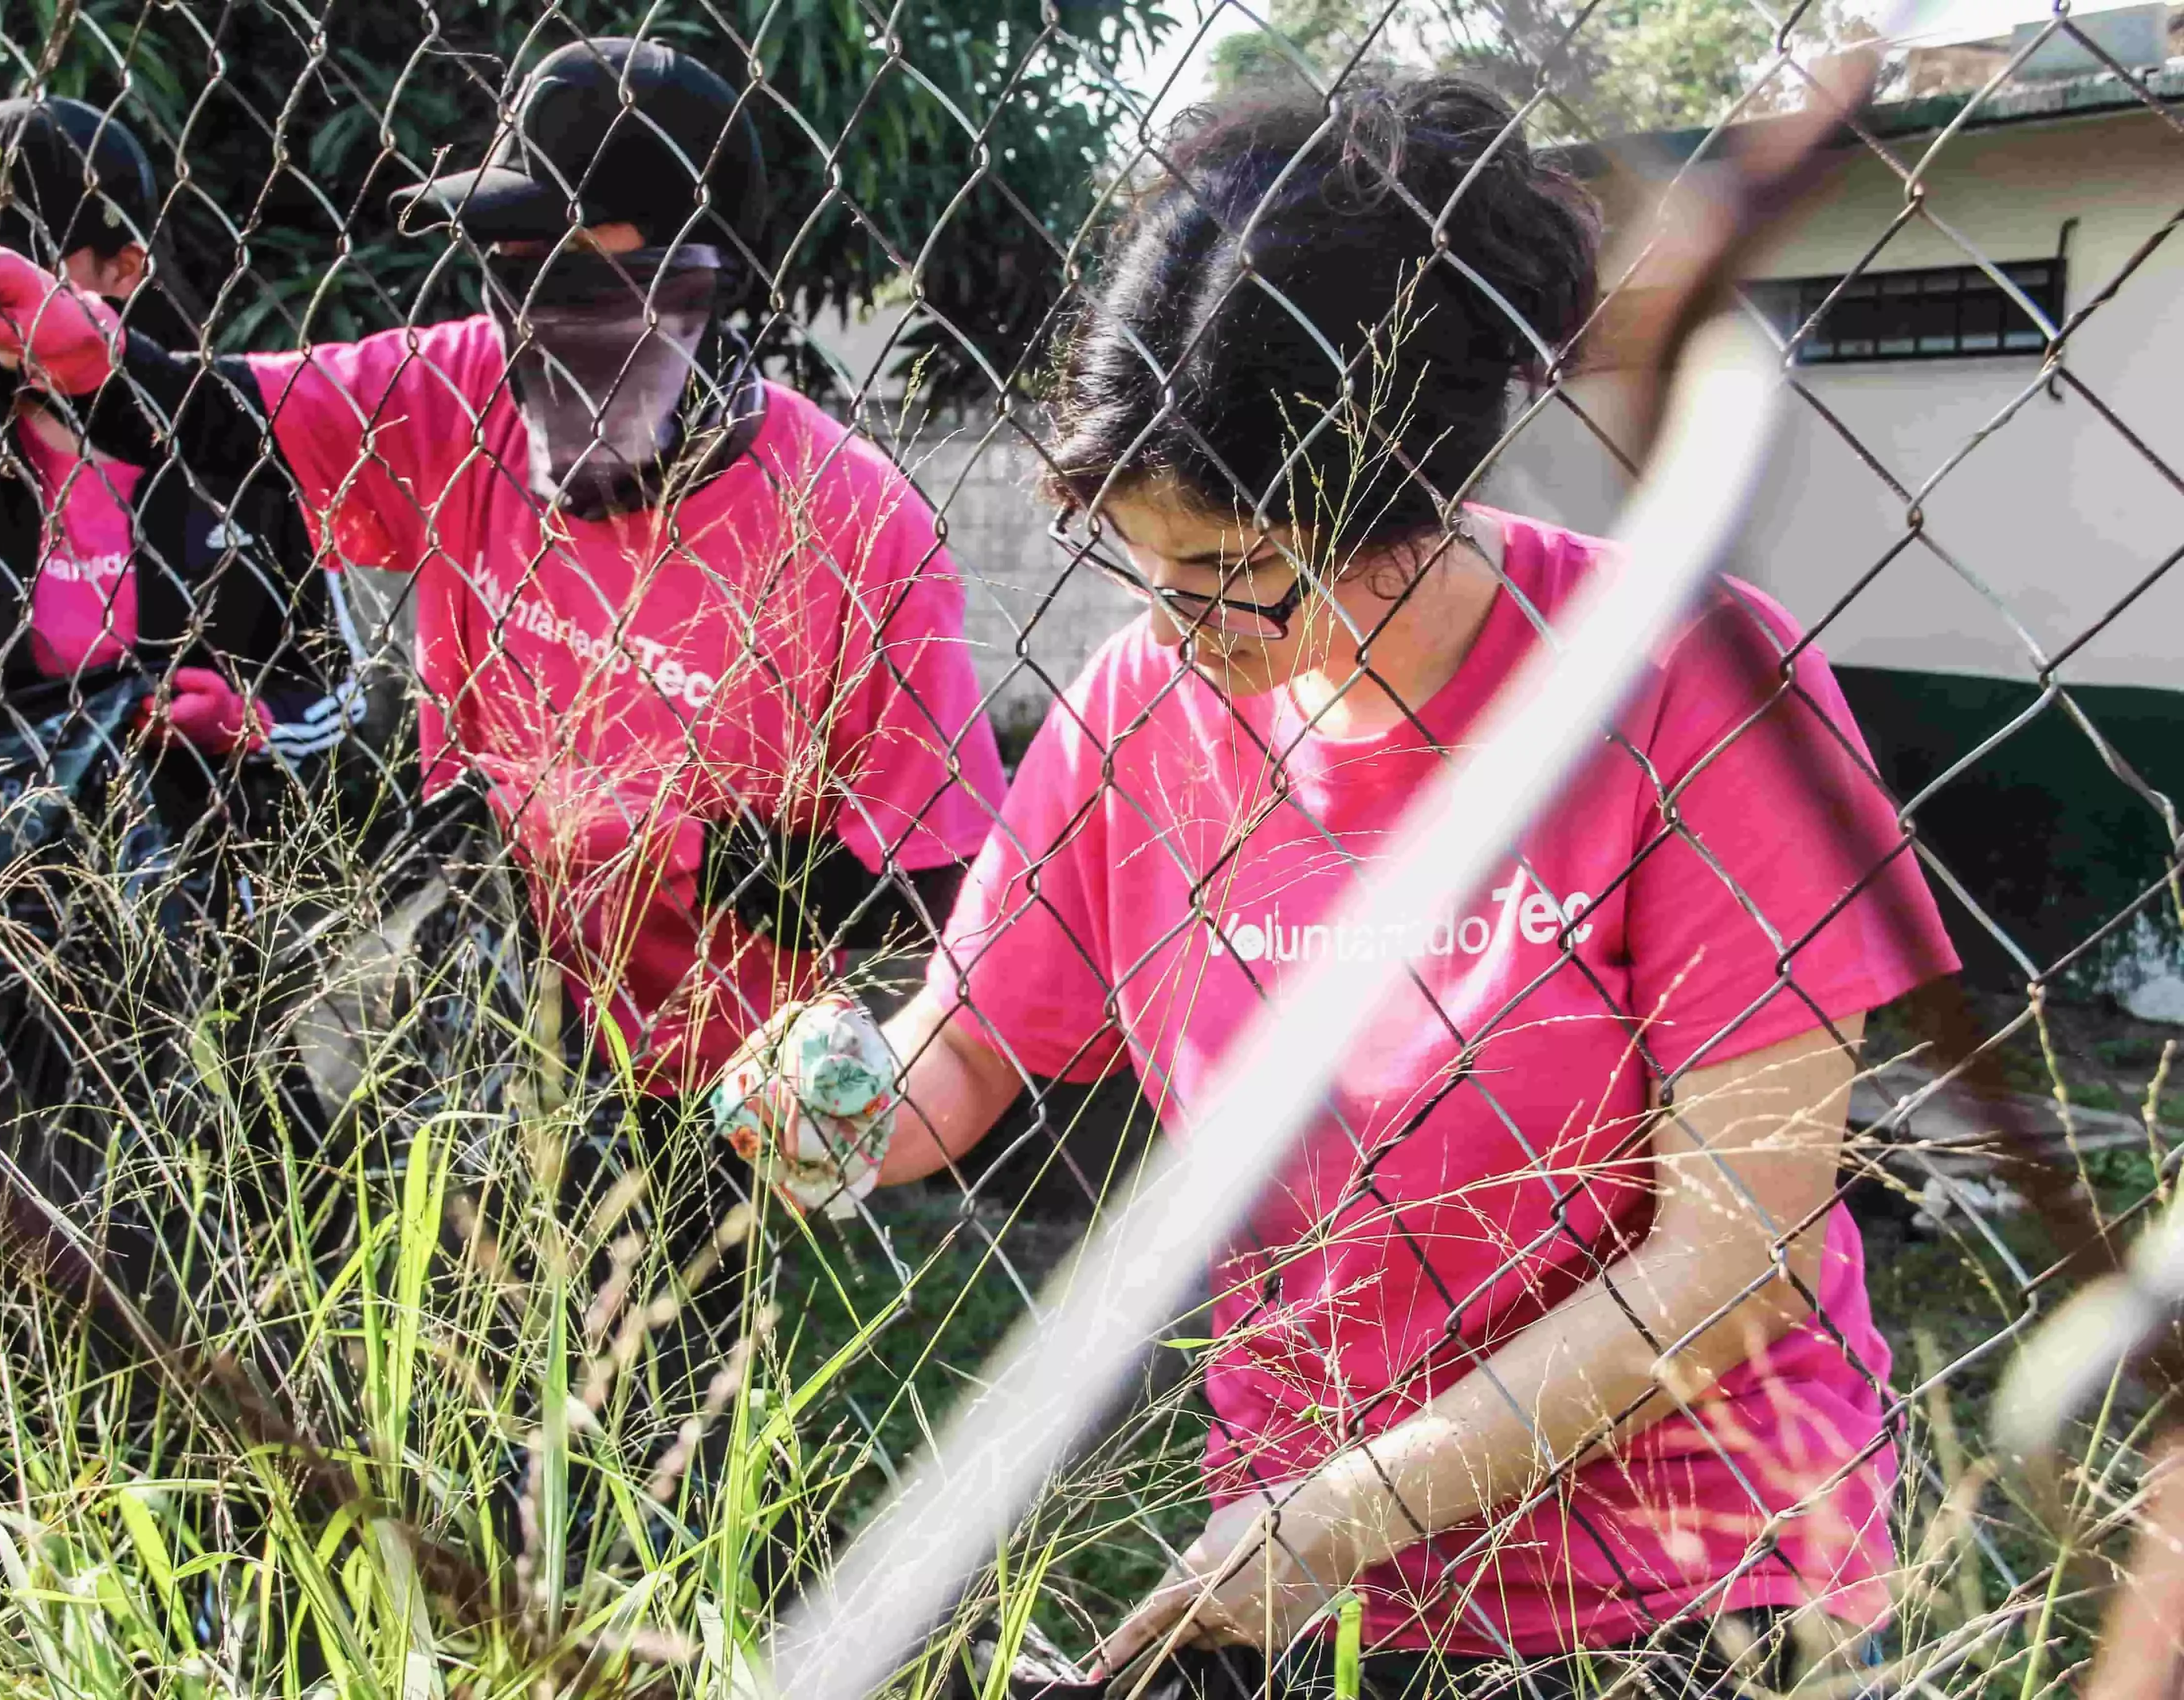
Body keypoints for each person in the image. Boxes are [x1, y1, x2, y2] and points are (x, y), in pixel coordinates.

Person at [724, 79, 1958, 1696]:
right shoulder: (1136, 711)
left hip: (1681, 1589)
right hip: (1305, 1577)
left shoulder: (1690, 679)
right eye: (1142, 563)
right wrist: (822, 1093)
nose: (1179, 626)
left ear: (1410, 499)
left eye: (1236, 571)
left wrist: (1338, 1513)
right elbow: (955, 1056)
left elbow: (1739, 1258)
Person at [0, 39, 1007, 1553]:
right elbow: (217, 432)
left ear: (723, 286)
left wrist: (740, 886)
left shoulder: (858, 529)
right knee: (399, 1472)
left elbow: (941, 902)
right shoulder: (457, 392)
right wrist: (87, 355)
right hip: (452, 1042)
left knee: (655, 1512)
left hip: (693, 1099)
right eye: (510, 265)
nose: (533, 317)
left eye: (585, 275)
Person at [0, 94, 368, 1330]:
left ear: (123, 269)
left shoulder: (235, 447)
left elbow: (342, 694)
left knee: (205, 1292)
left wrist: (251, 724)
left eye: (27, 258)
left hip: (192, 947)